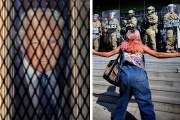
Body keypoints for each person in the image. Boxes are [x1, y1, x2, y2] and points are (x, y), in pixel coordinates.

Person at [93, 29, 180, 120]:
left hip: (124, 76)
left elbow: (108, 54)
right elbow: (158, 54)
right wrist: (178, 53)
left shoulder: (122, 46)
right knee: (145, 105)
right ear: (138, 37)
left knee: (122, 102)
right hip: (139, 77)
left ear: (127, 37)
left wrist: (95, 52)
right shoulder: (142, 47)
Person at [14, 8, 69, 120]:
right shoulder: (10, 75)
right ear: (22, 43)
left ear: (62, 43)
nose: (45, 50)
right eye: (36, 42)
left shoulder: (71, 75)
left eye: (52, 42)